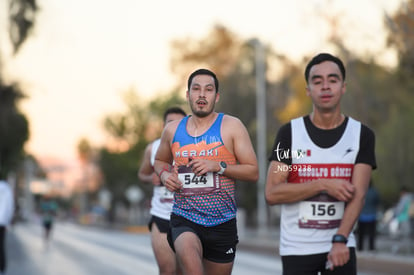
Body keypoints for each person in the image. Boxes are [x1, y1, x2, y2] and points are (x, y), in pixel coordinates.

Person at [265, 53, 376, 274]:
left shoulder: (361, 135)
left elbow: (359, 195)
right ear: (308, 90)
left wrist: (339, 239)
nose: (325, 87)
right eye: (318, 81)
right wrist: (322, 184)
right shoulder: (289, 134)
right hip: (296, 248)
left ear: (343, 87)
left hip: (341, 244)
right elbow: (272, 193)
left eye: (332, 80)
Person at [153, 68, 258, 275]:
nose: (202, 95)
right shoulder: (172, 130)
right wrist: (165, 175)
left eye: (208, 90)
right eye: (196, 89)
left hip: (222, 222)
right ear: (188, 95)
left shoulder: (232, 126)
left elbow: (253, 172)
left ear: (216, 96)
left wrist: (218, 166)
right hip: (185, 218)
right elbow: (159, 161)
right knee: (192, 268)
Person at [138, 106, 186, 275]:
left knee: (183, 270)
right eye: (170, 123)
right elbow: (142, 174)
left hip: (188, 217)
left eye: (178, 123)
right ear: (163, 126)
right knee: (167, 269)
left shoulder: (194, 146)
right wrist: (151, 178)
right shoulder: (153, 148)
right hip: (161, 216)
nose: (173, 126)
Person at [357, 181, 380, 251]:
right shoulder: (374, 192)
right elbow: (377, 202)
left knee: (361, 234)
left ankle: (360, 247)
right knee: (371, 234)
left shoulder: (361, 191)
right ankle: (371, 247)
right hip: (372, 215)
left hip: (361, 215)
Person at [0, 175, 14, 275]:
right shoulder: (7, 189)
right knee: (1, 245)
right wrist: (8, 221)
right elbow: (10, 207)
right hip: (2, 222)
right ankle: (2, 269)